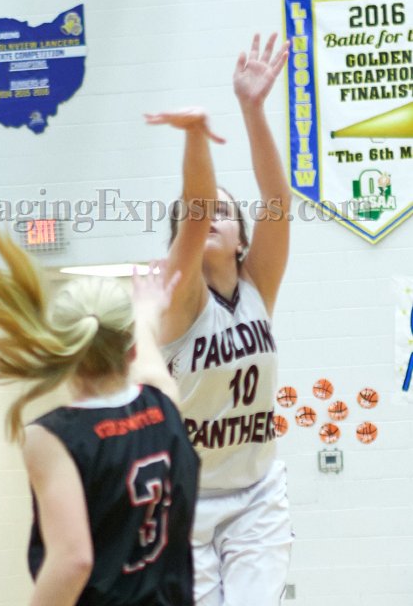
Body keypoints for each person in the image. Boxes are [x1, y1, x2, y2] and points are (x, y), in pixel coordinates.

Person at [0, 233, 199, 606]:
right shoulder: (164, 404)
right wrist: (147, 310)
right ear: (129, 350)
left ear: (64, 351)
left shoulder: (54, 437)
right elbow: (147, 356)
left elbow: (72, 561)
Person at [145, 33, 293, 606]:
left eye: (225, 214)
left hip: (256, 494)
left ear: (240, 241)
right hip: (187, 500)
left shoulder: (258, 286)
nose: (210, 218)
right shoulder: (181, 297)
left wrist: (252, 109)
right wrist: (195, 136)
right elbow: (196, 204)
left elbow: (277, 199)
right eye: (203, 214)